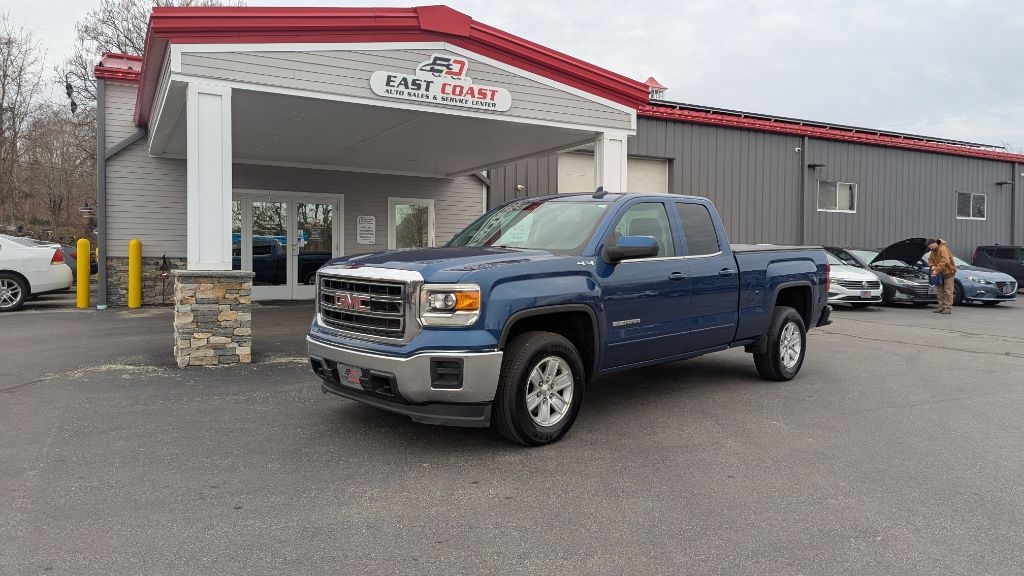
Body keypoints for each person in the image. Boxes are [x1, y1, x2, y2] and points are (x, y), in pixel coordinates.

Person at [926, 238, 956, 314]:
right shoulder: (933, 251)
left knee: (948, 291)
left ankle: (947, 308)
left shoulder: (943, 248)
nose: (931, 248)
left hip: (948, 273)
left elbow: (945, 261)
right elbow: (930, 260)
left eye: (931, 246)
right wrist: (932, 265)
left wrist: (936, 270)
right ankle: (941, 307)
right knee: (939, 291)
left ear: (935, 243)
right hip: (939, 273)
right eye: (929, 247)